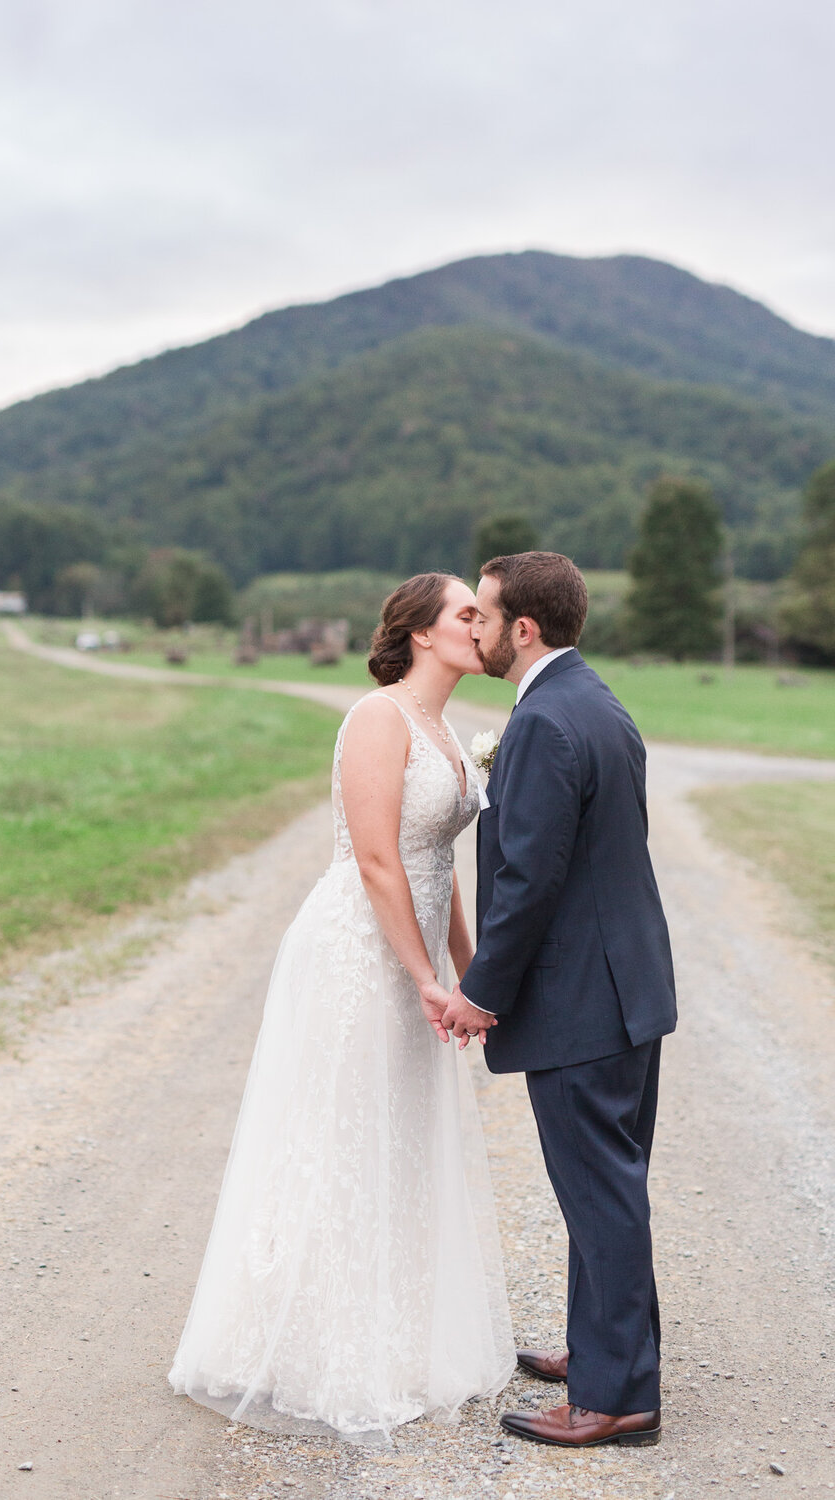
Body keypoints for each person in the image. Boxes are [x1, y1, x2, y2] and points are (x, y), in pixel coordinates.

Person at [169, 573, 515, 1444]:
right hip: (360, 953)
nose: (481, 625)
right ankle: (300, 1347)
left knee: (397, 1131)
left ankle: (390, 1333)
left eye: (482, 613)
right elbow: (374, 862)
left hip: (419, 951)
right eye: (465, 614)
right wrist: (423, 976)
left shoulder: (440, 728)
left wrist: (471, 972)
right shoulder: (378, 718)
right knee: (339, 1131)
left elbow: (436, 864)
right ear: (421, 634)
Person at [439, 551, 676, 1449]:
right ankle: (601, 1353)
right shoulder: (597, 702)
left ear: (523, 628)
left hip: (583, 998)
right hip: (628, 989)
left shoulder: (543, 721)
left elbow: (530, 877)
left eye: (486, 616)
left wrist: (479, 991)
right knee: (606, 1189)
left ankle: (617, 1399)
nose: (478, 630)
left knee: (602, 1194)